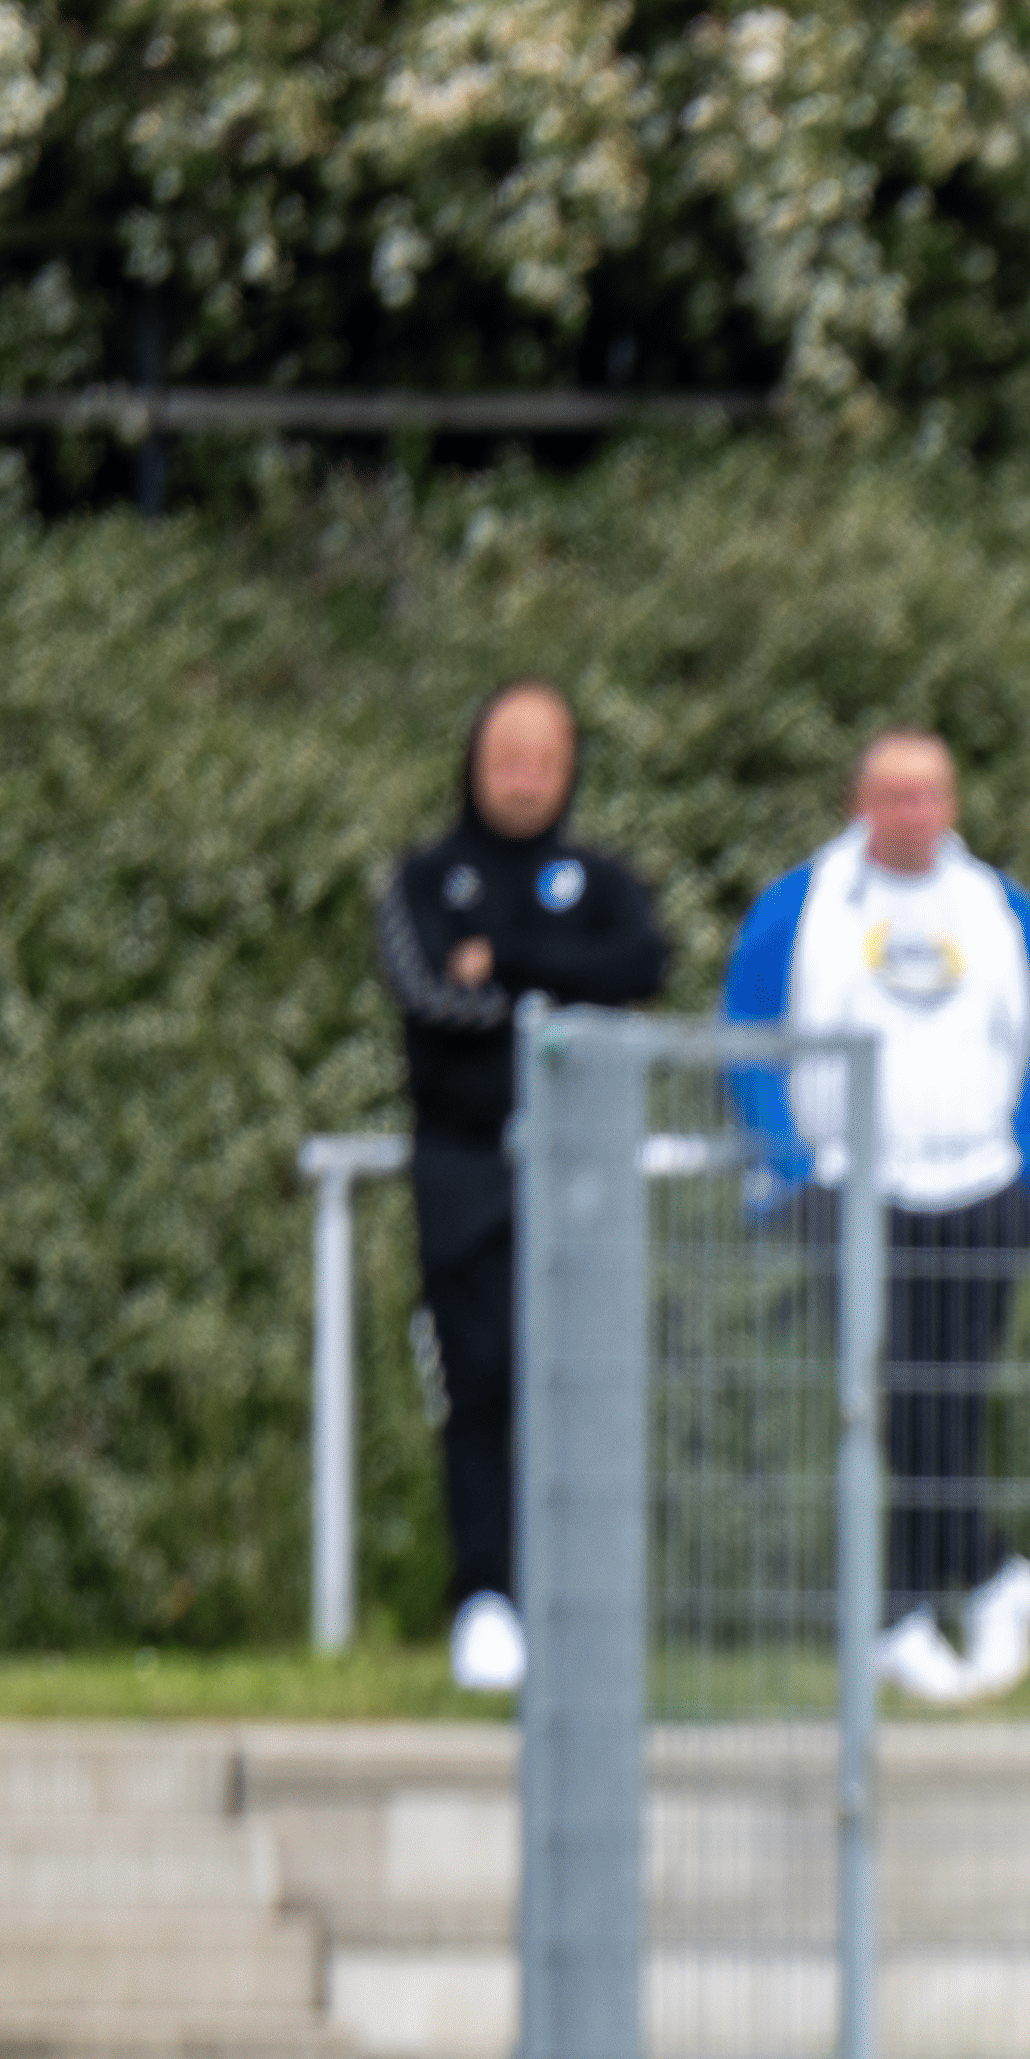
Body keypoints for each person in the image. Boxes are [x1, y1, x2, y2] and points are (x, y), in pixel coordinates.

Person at [726, 729, 1030, 1708]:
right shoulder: (801, 905)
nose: (911, 813)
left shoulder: (999, 907)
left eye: (928, 795)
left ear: (951, 804)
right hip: (853, 1189)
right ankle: (979, 1576)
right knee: (894, 1397)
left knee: (950, 1398)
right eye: (892, 795)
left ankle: (914, 1604)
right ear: (860, 803)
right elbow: (748, 1034)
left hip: (981, 1187)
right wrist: (791, 1165)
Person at [370, 680, 670, 1702]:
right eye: (508, 757)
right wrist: (559, 991)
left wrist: (508, 964)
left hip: (580, 1174)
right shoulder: (422, 878)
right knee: (481, 1382)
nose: (526, 777)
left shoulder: (603, 878)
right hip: (464, 1172)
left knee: (579, 1384)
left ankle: (576, 1596)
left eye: (545, 759)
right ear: (474, 761)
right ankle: (486, 1597)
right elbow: (431, 996)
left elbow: (642, 966)